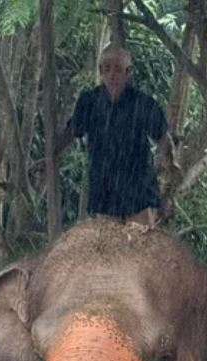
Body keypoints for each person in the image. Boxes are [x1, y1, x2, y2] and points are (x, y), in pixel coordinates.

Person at [49, 45, 170, 226]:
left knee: (142, 247)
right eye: (107, 69)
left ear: (128, 72)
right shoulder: (89, 101)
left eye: (118, 69)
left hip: (139, 189)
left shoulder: (144, 103)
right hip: (104, 189)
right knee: (108, 248)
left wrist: (167, 171)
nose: (112, 75)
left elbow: (163, 138)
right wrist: (50, 154)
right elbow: (72, 132)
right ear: (100, 71)